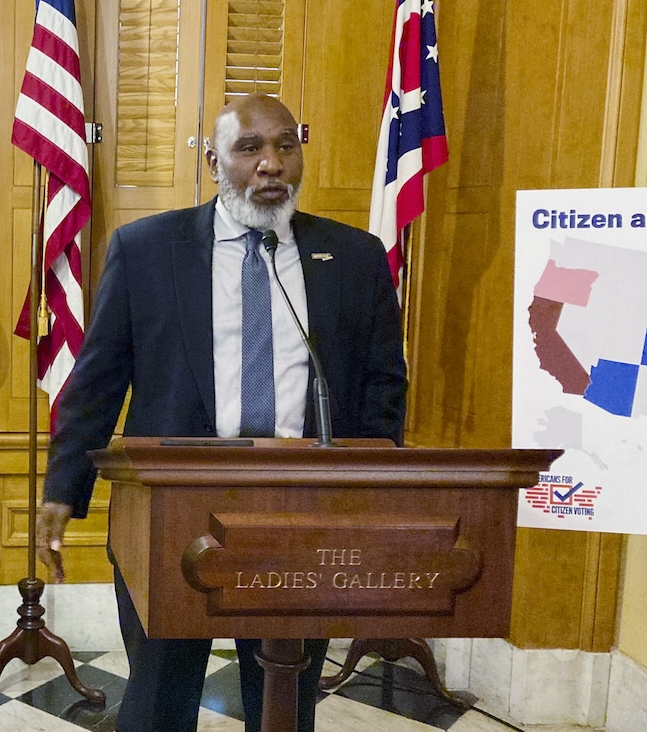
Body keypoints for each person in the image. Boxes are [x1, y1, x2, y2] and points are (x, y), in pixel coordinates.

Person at [34, 93, 407, 732]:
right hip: (172, 509)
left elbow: (382, 388)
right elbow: (97, 383)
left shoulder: (354, 257)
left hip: (301, 507)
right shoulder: (147, 249)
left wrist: (365, 495)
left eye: (286, 146)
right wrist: (63, 489)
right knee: (159, 698)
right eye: (250, 148)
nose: (271, 164)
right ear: (214, 161)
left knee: (283, 695)